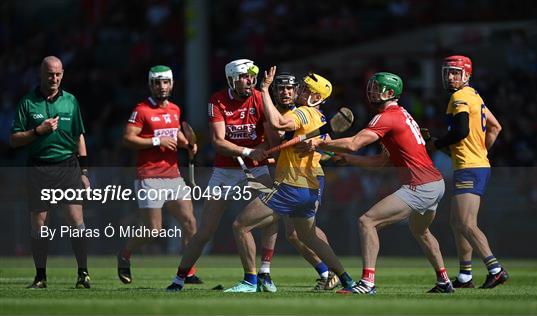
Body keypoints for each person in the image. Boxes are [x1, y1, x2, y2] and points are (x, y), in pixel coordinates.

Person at [300, 72, 453, 294]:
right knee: (421, 231)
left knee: (367, 221)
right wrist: (349, 161)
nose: (371, 91)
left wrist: (319, 144)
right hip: (435, 184)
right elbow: (380, 161)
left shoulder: (386, 117)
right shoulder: (402, 115)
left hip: (420, 185)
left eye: (376, 88)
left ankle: (367, 283)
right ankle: (444, 282)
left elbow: (354, 143)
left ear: (390, 93)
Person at [229, 66, 357, 293]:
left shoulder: (300, 113)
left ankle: (250, 281)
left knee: (241, 225)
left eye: (305, 89)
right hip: (309, 187)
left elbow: (278, 124)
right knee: (308, 236)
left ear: (317, 96)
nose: (299, 92)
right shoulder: (318, 116)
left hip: (290, 186)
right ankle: (346, 280)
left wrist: (265, 89)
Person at [166, 59, 281, 292]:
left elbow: (274, 135)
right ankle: (179, 279)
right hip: (225, 172)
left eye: (252, 76)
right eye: (244, 77)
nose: (250, 80)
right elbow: (218, 142)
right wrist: (250, 151)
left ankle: (264, 274)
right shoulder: (217, 100)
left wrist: (268, 151)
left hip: (257, 169)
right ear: (232, 79)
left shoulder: (259, 98)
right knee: (205, 230)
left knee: (272, 214)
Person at [425, 55, 507, 289]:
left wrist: (436, 144)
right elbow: (496, 127)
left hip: (470, 167)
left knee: (466, 223)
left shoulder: (459, 97)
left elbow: (460, 132)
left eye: (455, 72)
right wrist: (481, 151)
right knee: (456, 222)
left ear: (466, 76)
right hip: (473, 165)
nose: (450, 77)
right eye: (448, 72)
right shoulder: (474, 96)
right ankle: (465, 276)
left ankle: (496, 269)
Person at [10, 56, 91, 289]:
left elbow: (79, 137)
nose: (54, 78)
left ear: (62, 74)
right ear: (41, 74)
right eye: (49, 74)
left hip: (68, 166)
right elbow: (14, 140)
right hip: (38, 167)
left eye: (57, 74)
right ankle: (40, 276)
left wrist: (84, 171)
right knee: (39, 223)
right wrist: (38, 131)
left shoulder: (71, 101)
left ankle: (83, 274)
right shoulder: (27, 102)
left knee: (76, 219)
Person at [116, 65, 201, 285]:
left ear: (171, 84)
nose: (161, 87)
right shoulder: (142, 110)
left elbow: (177, 135)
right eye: (157, 83)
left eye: (165, 82)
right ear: (150, 85)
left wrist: (188, 145)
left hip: (173, 175)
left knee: (190, 222)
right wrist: (156, 140)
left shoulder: (174, 109)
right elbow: (127, 138)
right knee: (153, 230)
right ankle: (125, 254)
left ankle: (188, 272)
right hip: (149, 176)